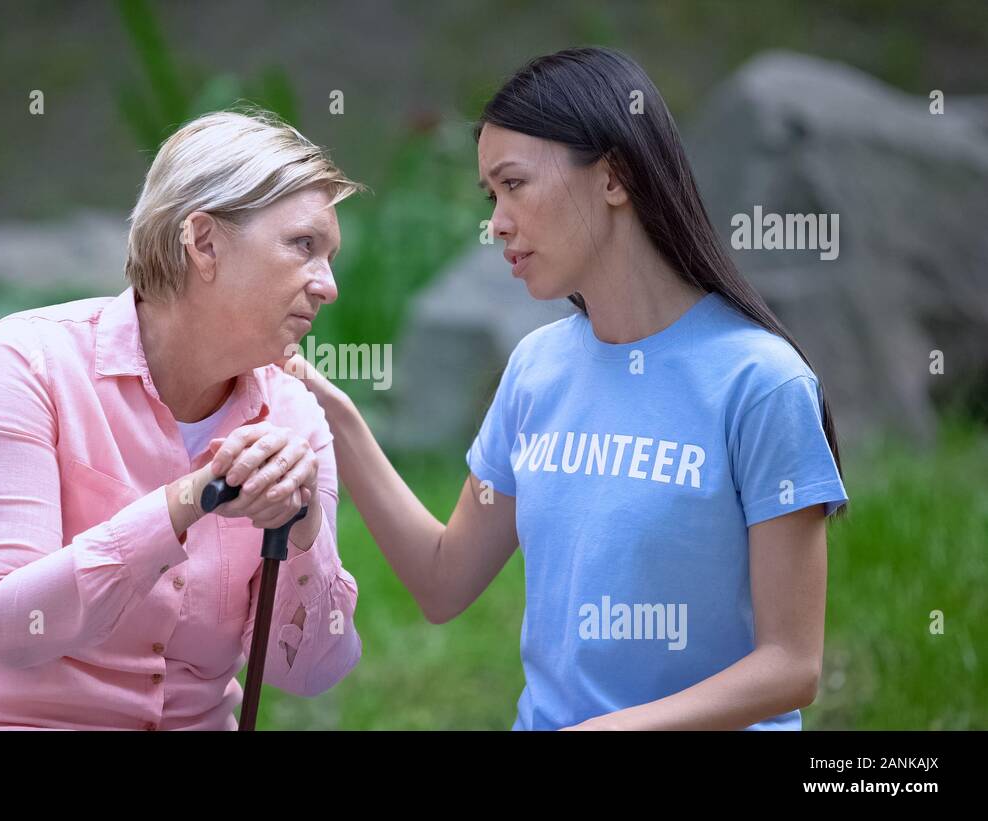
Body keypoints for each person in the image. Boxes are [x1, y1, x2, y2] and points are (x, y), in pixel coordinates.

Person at [253, 47, 849, 730]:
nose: (497, 221)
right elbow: (445, 580)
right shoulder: (537, 370)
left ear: (615, 176)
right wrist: (339, 419)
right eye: (491, 195)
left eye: (515, 184)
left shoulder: (760, 384)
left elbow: (792, 664)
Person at [0, 109, 363, 730]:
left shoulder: (293, 418)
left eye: (330, 255)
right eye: (303, 246)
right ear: (204, 242)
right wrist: (185, 502)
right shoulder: (27, 364)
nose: (329, 285)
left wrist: (305, 525)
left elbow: (310, 671)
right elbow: (9, 625)